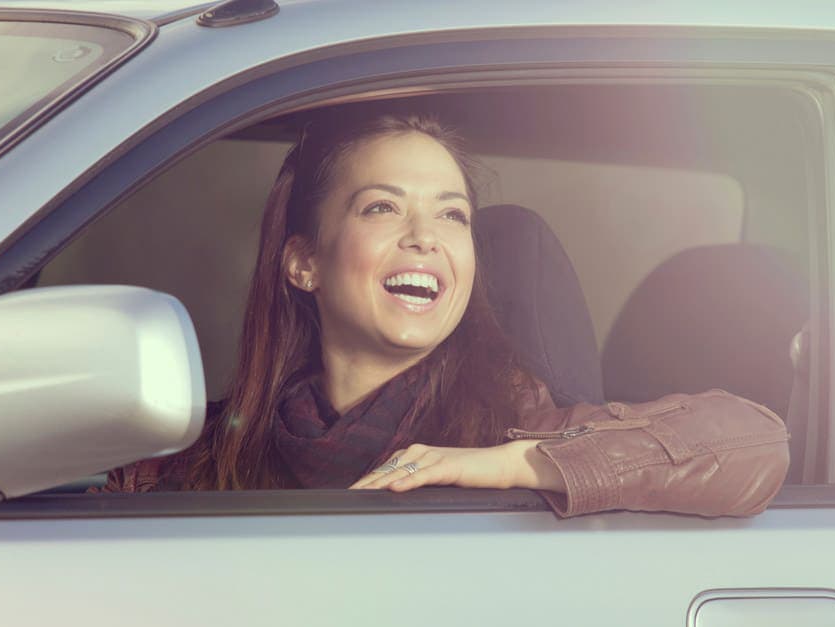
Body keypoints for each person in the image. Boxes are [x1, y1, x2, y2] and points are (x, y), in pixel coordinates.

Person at [99, 112, 790, 517]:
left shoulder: (521, 429)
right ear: (303, 261)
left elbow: (753, 442)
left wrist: (516, 464)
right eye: (382, 206)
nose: (425, 235)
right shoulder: (197, 466)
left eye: (452, 214)